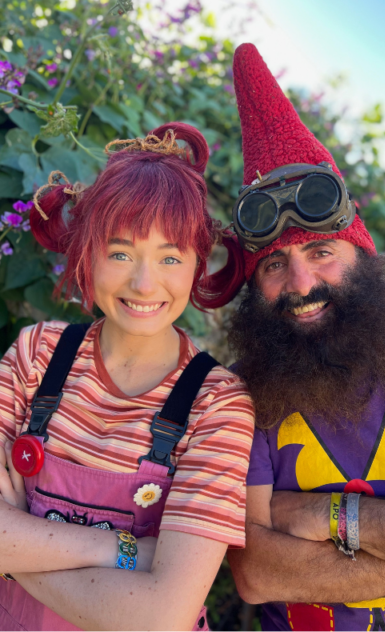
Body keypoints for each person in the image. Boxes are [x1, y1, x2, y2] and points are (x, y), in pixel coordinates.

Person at [222, 44, 385, 631]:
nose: (301, 283)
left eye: (321, 252)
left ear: (360, 256)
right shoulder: (239, 399)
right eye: (275, 265)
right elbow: (256, 575)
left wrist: (320, 514)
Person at [0, 123, 255, 630]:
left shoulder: (217, 404)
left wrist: (15, 548)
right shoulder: (38, 354)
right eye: (120, 253)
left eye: (169, 257)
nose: (144, 282)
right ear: (88, 254)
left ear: (197, 266)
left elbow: (162, 617)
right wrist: (130, 553)